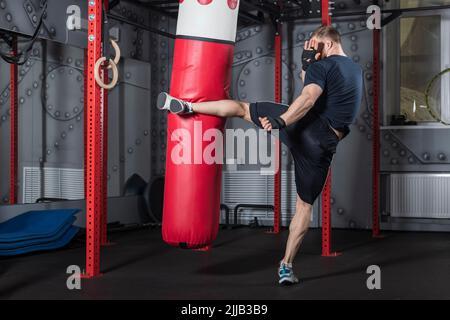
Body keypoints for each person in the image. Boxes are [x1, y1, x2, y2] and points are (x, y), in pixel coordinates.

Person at [157, 25, 363, 285]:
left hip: (305, 125)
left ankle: (188, 106)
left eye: (314, 46)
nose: (311, 50)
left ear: (329, 45)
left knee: (243, 109)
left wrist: (283, 121)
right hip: (324, 146)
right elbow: (316, 88)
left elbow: (309, 97)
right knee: (304, 208)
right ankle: (286, 266)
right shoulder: (354, 70)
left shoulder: (323, 67)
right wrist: (307, 65)